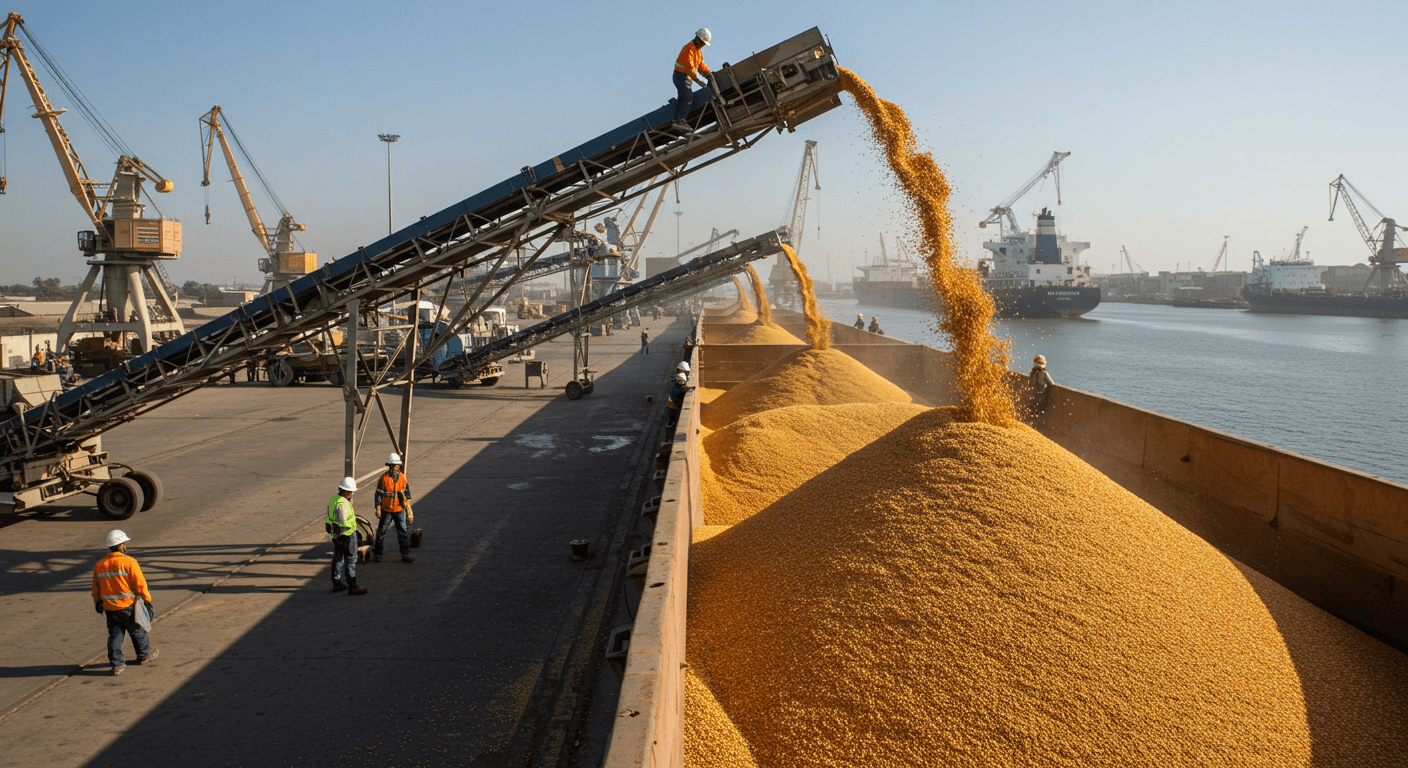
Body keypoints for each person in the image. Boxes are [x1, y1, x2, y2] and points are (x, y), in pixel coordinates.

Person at [92, 529, 157, 675]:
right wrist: (147, 601)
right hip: (127, 605)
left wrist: (97, 601)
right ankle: (145, 654)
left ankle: (117, 664)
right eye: (124, 543)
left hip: (109, 608)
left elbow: (95, 587)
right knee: (137, 629)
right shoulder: (129, 562)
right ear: (121, 546)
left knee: (115, 634)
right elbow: (140, 584)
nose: (125, 545)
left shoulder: (100, 565)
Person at [327, 476, 368, 594]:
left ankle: (337, 583)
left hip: (336, 535)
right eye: (351, 492)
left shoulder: (334, 500)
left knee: (338, 558)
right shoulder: (343, 504)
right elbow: (343, 522)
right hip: (347, 535)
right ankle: (352, 586)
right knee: (351, 559)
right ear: (347, 491)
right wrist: (354, 530)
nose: (352, 494)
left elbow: (329, 520)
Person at [373, 453, 415, 564]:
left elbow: (407, 492)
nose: (396, 467)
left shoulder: (402, 477)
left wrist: (408, 507)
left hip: (399, 509)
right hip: (386, 510)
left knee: (403, 532)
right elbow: (378, 494)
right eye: (394, 465)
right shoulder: (383, 478)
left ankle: (405, 554)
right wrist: (377, 507)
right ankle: (378, 554)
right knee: (381, 532)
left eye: (397, 466)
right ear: (390, 466)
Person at [672, 28, 712, 125]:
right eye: (703, 43)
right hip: (680, 76)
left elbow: (700, 65)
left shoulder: (697, 52)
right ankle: (679, 120)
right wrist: (699, 80)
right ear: (698, 39)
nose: (703, 45)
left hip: (686, 78)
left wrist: (709, 74)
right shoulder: (688, 49)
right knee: (687, 95)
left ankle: (680, 118)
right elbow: (690, 68)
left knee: (685, 95)